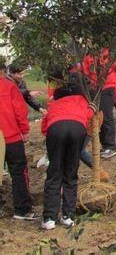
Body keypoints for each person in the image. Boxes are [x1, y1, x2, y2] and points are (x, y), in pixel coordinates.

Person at [40, 71, 95, 230]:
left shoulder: (55, 103)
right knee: (71, 172)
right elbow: (89, 114)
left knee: (54, 173)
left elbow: (44, 128)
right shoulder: (81, 100)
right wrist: (91, 108)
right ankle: (68, 216)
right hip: (78, 128)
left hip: (56, 129)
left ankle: (49, 218)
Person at [0, 56, 39, 221]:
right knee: (18, 171)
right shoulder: (9, 87)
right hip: (11, 136)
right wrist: (24, 130)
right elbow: (19, 111)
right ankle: (22, 209)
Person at [83, 50, 116, 159]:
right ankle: (104, 145)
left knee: (106, 116)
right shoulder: (88, 55)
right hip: (95, 88)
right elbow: (86, 71)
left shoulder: (108, 53)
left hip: (107, 86)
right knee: (99, 117)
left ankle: (110, 146)